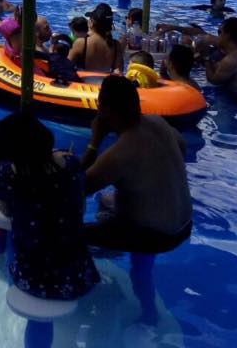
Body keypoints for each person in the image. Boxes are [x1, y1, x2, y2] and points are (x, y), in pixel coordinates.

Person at [82, 76, 192, 303]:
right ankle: (119, 241)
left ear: (105, 109)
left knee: (72, 235)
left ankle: (100, 284)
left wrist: (95, 141)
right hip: (184, 225)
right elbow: (182, 148)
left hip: (157, 237)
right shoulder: (158, 123)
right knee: (106, 199)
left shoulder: (121, 152)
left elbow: (77, 188)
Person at [0, 113, 100, 301]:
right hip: (80, 277)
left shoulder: (8, 174)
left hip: (32, 281)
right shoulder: (71, 164)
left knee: (12, 240)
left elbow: (5, 209)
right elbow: (80, 206)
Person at [204, 17, 237, 96]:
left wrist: (206, 58)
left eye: (219, 32)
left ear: (227, 35)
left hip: (236, 97)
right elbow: (220, 43)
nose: (218, 35)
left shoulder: (230, 60)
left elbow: (213, 80)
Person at [68, 3, 123, 73]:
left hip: (85, 80)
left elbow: (66, 67)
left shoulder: (81, 43)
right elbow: (119, 72)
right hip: (105, 80)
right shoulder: (116, 45)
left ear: (91, 23)